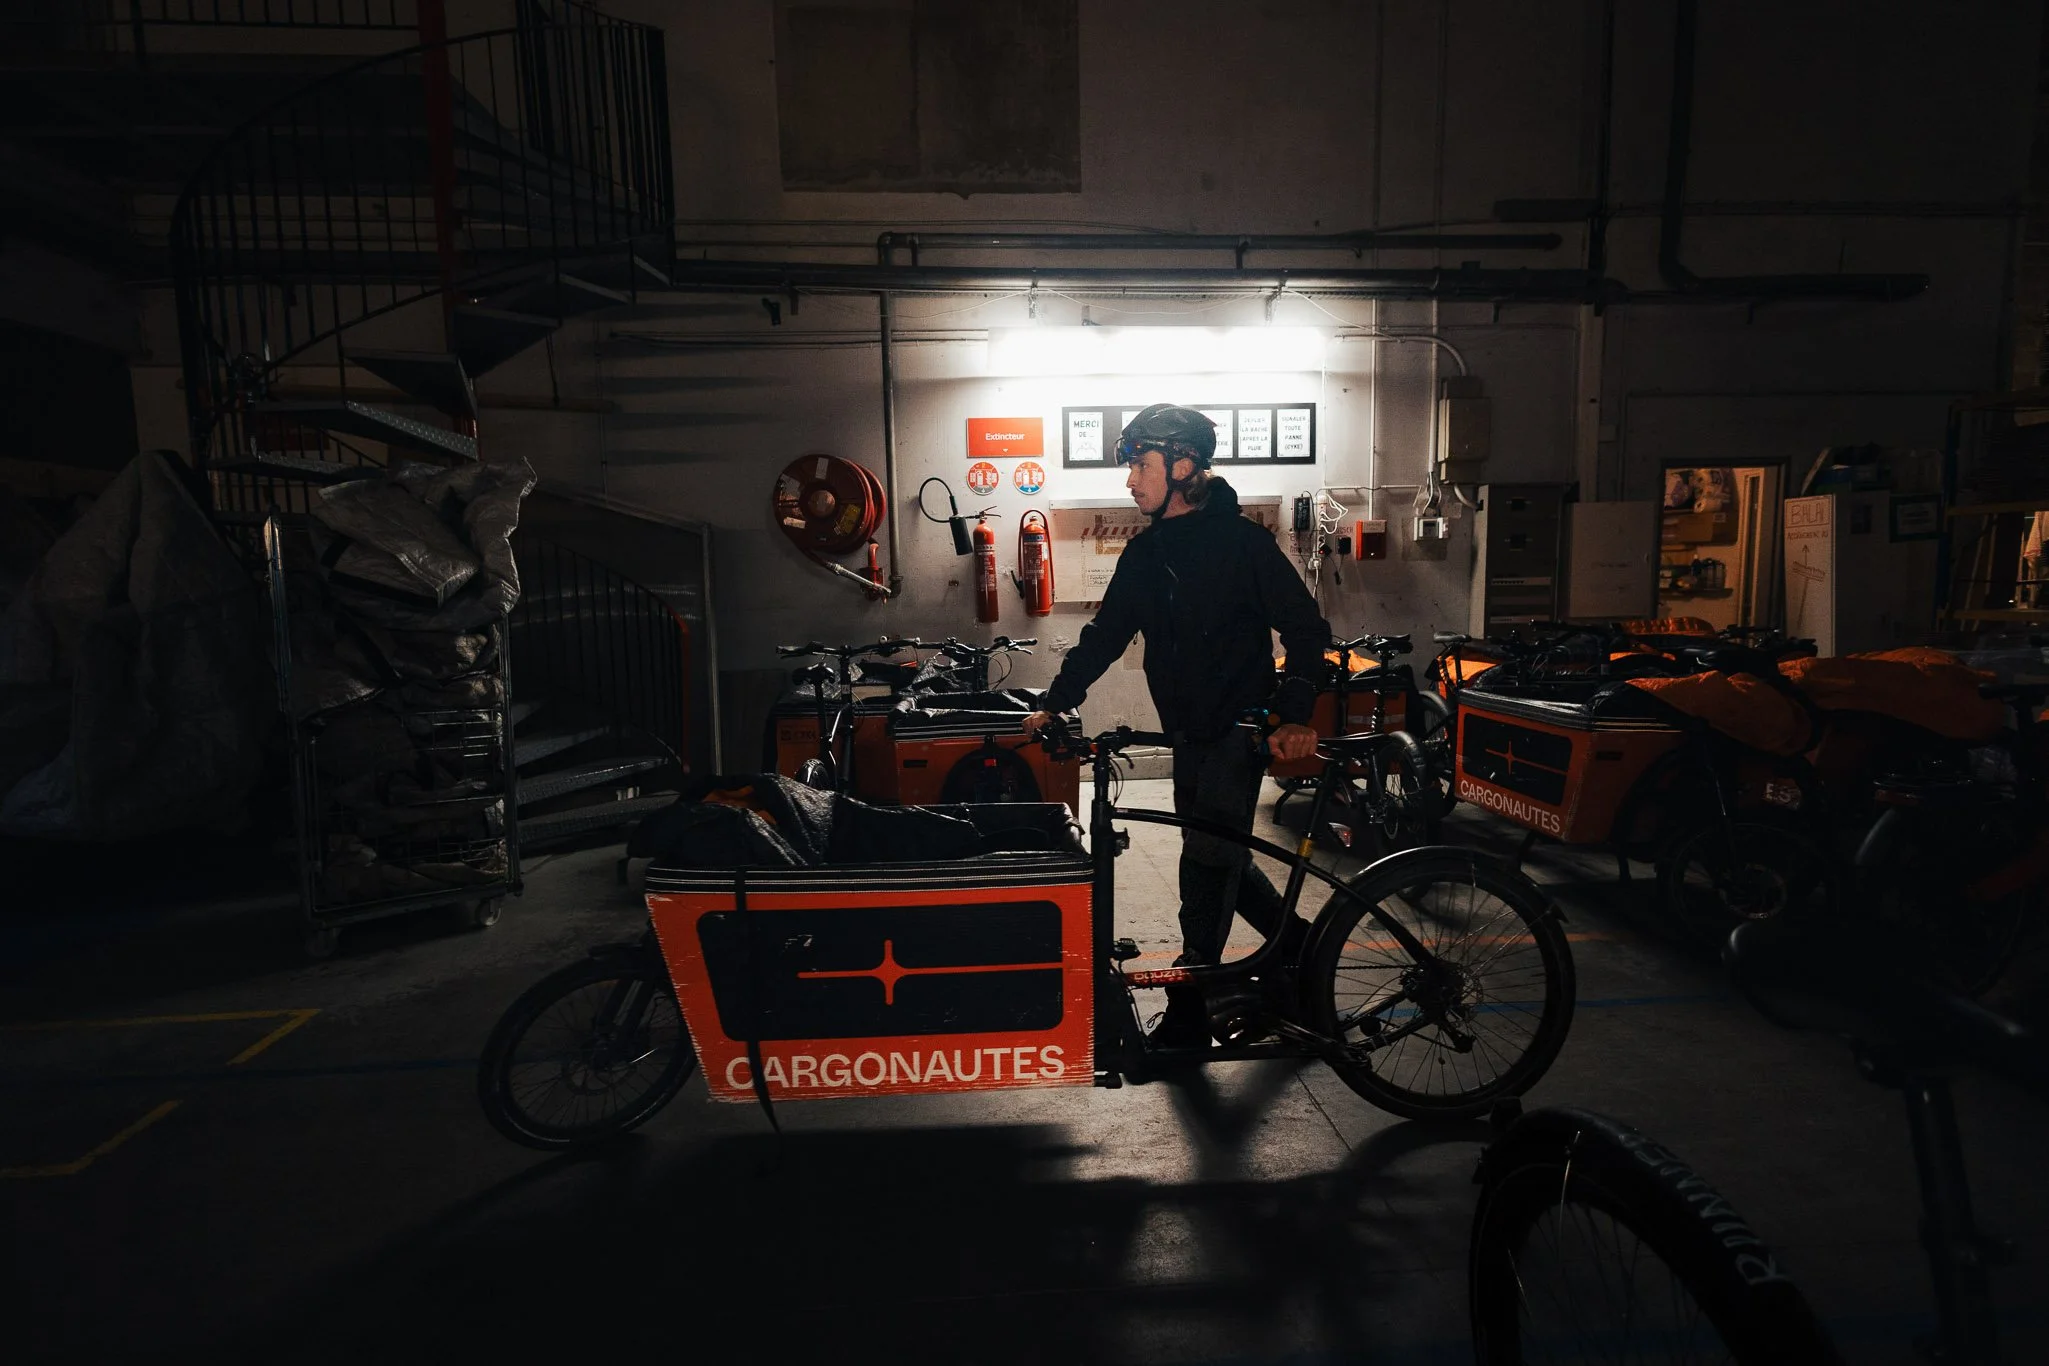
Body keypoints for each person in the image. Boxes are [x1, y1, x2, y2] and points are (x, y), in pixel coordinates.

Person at [1022, 403, 1330, 1046]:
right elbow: (1105, 634)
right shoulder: (1147, 553)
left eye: (1141, 465)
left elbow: (1305, 629)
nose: (1130, 480)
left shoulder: (1245, 544)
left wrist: (1295, 714)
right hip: (1188, 733)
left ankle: (1193, 1008)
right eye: (1131, 466)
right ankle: (1298, 946)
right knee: (1219, 853)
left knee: (1207, 862)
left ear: (1183, 466)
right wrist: (1057, 698)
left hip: (1239, 731)